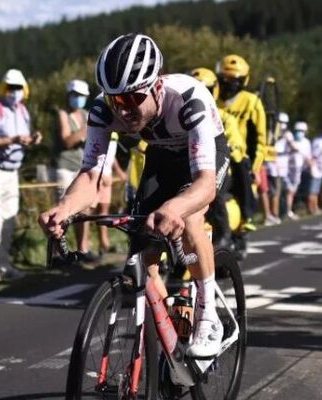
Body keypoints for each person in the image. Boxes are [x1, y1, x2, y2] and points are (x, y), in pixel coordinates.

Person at [39, 34, 230, 357]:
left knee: (190, 218)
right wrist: (64, 208)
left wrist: (175, 207)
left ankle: (208, 314)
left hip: (203, 160)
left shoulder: (187, 99)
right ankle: (169, 327)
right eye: (116, 100)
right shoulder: (103, 109)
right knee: (141, 256)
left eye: (132, 99)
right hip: (160, 155)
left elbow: (205, 184)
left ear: (156, 87)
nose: (124, 110)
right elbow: (90, 176)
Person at [0, 68, 42, 283]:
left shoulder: (23, 111)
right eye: (10, 88)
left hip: (12, 173)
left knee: (8, 221)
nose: (14, 92)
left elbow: (21, 139)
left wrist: (32, 139)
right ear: (3, 89)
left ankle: (2, 266)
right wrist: (12, 140)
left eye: (18, 88)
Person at [190, 67, 244, 249]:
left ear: (215, 90)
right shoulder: (182, 115)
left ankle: (224, 236)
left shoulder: (225, 118)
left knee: (212, 191)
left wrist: (231, 149)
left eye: (206, 89)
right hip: (190, 167)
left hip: (217, 166)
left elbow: (236, 145)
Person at [216, 54, 267, 232]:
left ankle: (247, 214)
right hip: (213, 151)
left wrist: (255, 167)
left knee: (243, 176)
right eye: (225, 78)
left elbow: (260, 140)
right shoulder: (213, 100)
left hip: (238, 155)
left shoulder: (251, 102)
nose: (229, 83)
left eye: (234, 79)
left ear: (243, 80)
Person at [54, 79, 98, 263]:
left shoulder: (85, 114)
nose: (78, 99)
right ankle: (58, 252)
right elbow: (67, 141)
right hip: (64, 167)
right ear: (68, 96)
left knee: (84, 210)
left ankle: (82, 249)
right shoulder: (62, 114)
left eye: (81, 96)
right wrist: (85, 131)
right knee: (63, 211)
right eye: (75, 95)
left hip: (82, 168)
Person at [278, 121, 311, 220]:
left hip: (299, 170)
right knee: (288, 191)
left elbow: (307, 156)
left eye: (301, 131)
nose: (299, 133)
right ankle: (286, 211)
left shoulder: (306, 143)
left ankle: (288, 210)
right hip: (287, 170)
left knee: (293, 192)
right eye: (297, 130)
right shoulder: (289, 140)